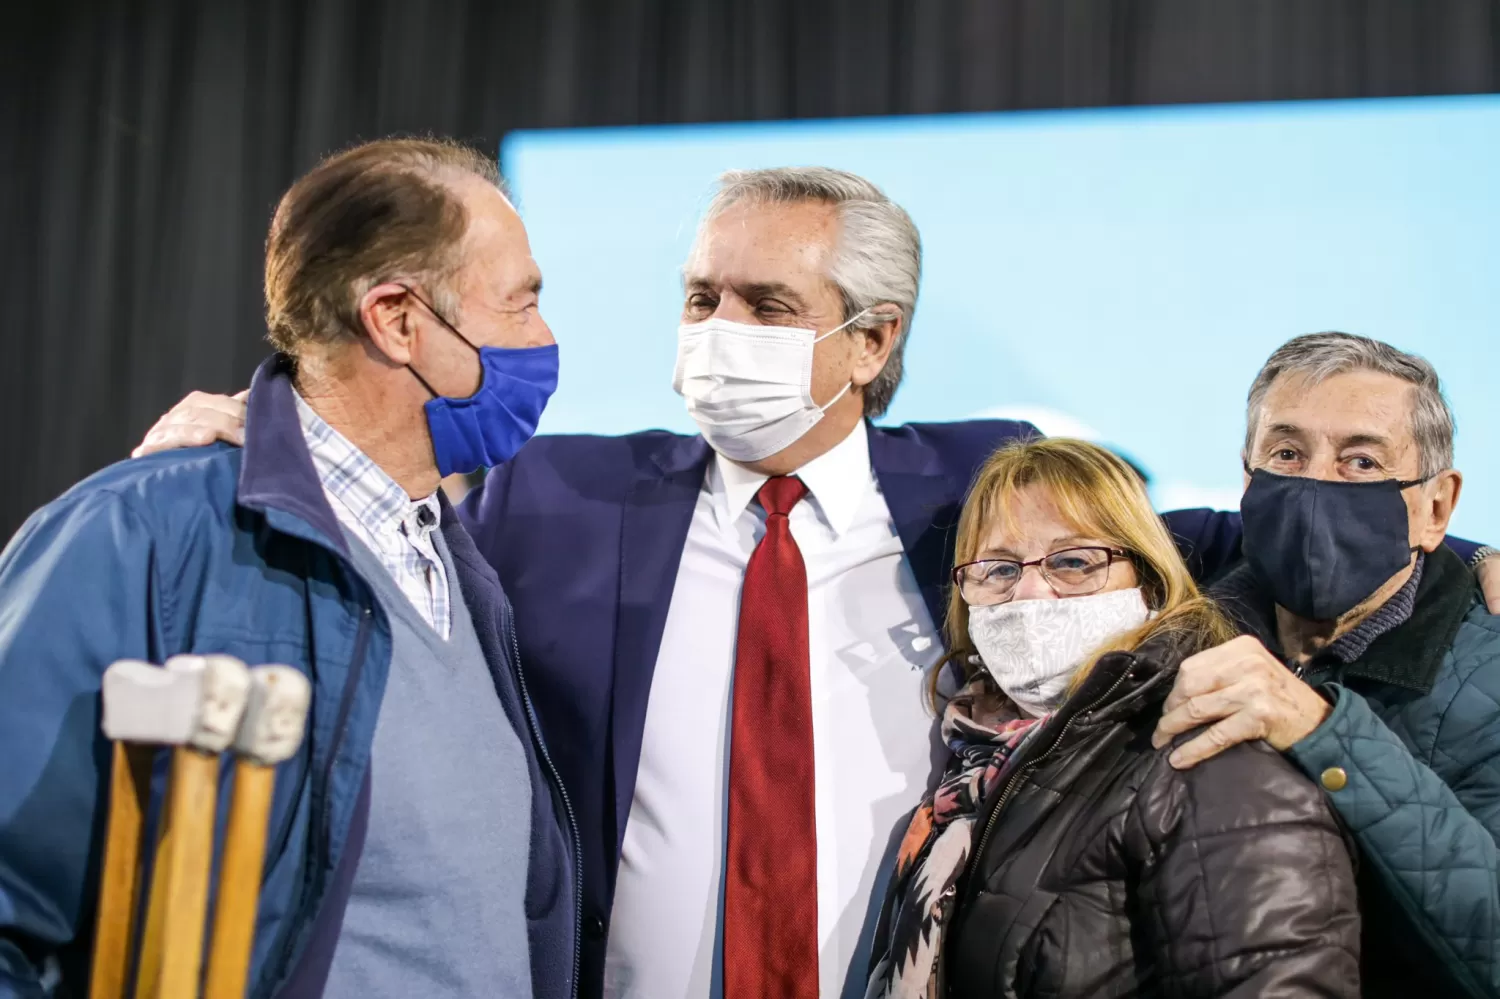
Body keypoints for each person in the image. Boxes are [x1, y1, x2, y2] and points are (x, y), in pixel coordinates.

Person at [132, 168, 1499, 999]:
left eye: (767, 306)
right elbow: (374, 486)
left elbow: (1179, 538)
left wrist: (1465, 552)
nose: (717, 333)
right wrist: (263, 429)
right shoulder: (560, 494)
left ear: (873, 339)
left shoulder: (978, 491)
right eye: (699, 295)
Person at [0, 138, 578, 999]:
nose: (545, 338)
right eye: (520, 304)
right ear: (397, 318)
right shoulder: (139, 534)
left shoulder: (454, 555)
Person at [865, 436, 1361, 997]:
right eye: (998, 569)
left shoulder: (1210, 762)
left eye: (1074, 562)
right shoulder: (976, 768)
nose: (1029, 594)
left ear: (1149, 584)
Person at [1150, 332, 1500, 997]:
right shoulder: (1171, 610)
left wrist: (1324, 732)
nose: (1314, 485)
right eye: (1287, 453)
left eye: (1361, 462)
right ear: (1248, 480)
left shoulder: (1489, 674)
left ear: (1436, 507)